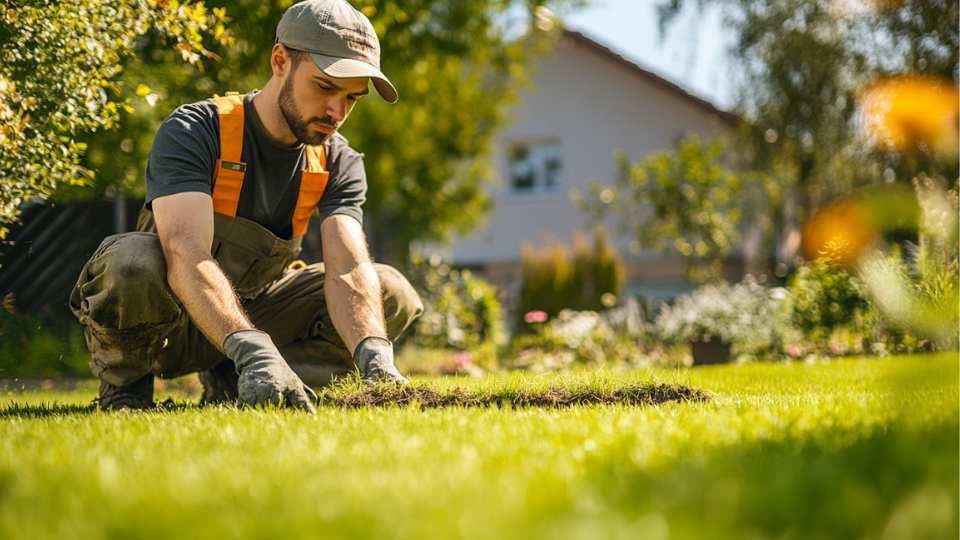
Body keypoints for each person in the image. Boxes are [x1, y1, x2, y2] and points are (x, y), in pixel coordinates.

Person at [69, 0, 423, 412]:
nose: (336, 112)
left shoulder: (338, 160)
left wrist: (375, 359)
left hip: (260, 312)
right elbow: (185, 250)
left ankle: (248, 383)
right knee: (129, 260)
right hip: (169, 325)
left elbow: (347, 267)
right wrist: (251, 347)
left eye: (352, 98)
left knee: (389, 292)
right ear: (279, 61)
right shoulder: (196, 131)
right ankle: (127, 388)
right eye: (325, 87)